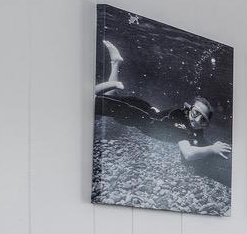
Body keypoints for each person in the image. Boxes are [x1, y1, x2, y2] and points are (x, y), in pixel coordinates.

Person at [95, 39, 230, 173]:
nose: (195, 119)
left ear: (205, 125)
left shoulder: (196, 128)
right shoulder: (181, 125)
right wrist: (212, 149)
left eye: (201, 119)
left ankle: (115, 63)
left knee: (110, 97)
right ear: (189, 109)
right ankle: (113, 84)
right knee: (91, 101)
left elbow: (199, 143)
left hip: (142, 111)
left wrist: (214, 147)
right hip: (133, 110)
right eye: (195, 113)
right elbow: (188, 154)